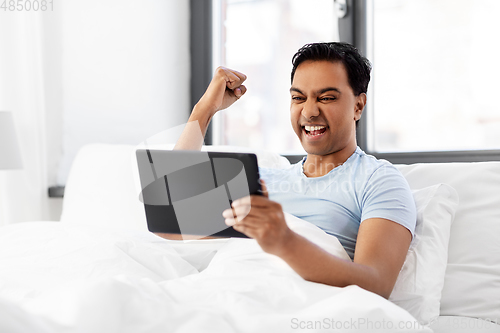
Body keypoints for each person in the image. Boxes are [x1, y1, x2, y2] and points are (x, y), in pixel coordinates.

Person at [175, 42, 416, 299]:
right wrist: (204, 110)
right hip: (225, 294)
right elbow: (173, 217)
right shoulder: (261, 180)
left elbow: (376, 284)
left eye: (326, 98)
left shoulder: (378, 180)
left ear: (358, 106)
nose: (309, 112)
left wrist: (283, 241)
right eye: (298, 98)